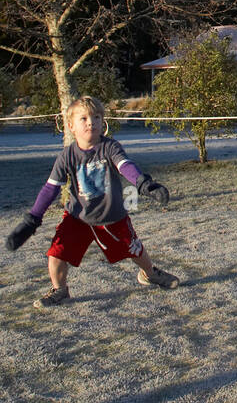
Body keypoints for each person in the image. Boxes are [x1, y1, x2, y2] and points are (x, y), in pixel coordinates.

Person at [5, 95, 178, 309]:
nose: (91, 122)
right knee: (56, 252)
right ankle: (60, 290)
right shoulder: (67, 156)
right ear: (71, 126)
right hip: (78, 217)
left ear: (102, 122)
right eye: (84, 118)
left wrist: (143, 184)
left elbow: (125, 166)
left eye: (96, 117)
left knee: (135, 249)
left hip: (112, 216)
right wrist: (32, 219)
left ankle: (149, 274)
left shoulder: (110, 147)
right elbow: (51, 188)